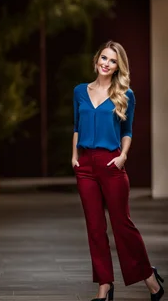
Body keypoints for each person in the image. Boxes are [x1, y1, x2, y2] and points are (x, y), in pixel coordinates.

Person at [72, 41, 164, 301]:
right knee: (95, 227)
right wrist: (74, 157)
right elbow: (76, 126)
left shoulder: (125, 94)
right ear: (96, 59)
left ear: (117, 67)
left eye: (113, 61)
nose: (106, 63)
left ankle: (148, 276)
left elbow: (127, 131)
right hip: (86, 166)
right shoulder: (80, 91)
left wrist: (123, 157)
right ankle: (105, 285)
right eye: (104, 57)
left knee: (122, 224)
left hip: (111, 164)